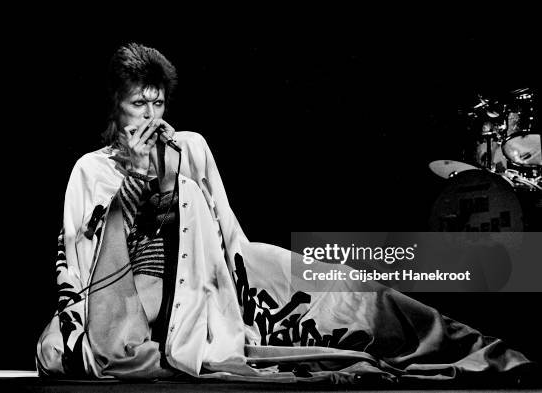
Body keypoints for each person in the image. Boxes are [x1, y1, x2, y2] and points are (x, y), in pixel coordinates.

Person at [36, 42, 534, 384]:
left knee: (350, 294)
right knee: (57, 352)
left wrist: (250, 286)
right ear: (115, 106)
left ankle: (479, 348)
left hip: (222, 282)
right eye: (137, 105)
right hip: (145, 301)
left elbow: (224, 229)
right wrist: (134, 184)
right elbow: (85, 265)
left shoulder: (190, 146)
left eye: (158, 103)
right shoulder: (91, 170)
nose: (150, 116)